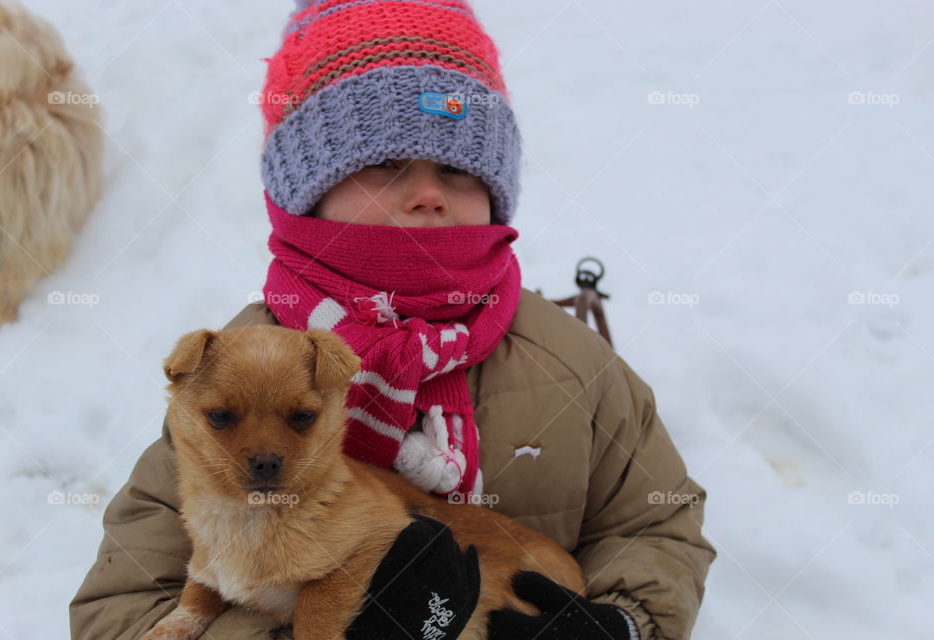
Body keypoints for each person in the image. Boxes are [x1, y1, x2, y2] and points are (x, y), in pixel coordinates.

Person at [69, 1, 716, 639]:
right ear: (307, 193)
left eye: (457, 169)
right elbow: (123, 603)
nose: (428, 193)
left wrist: (621, 625)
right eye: (384, 163)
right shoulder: (237, 374)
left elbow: (656, 525)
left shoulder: (571, 363)